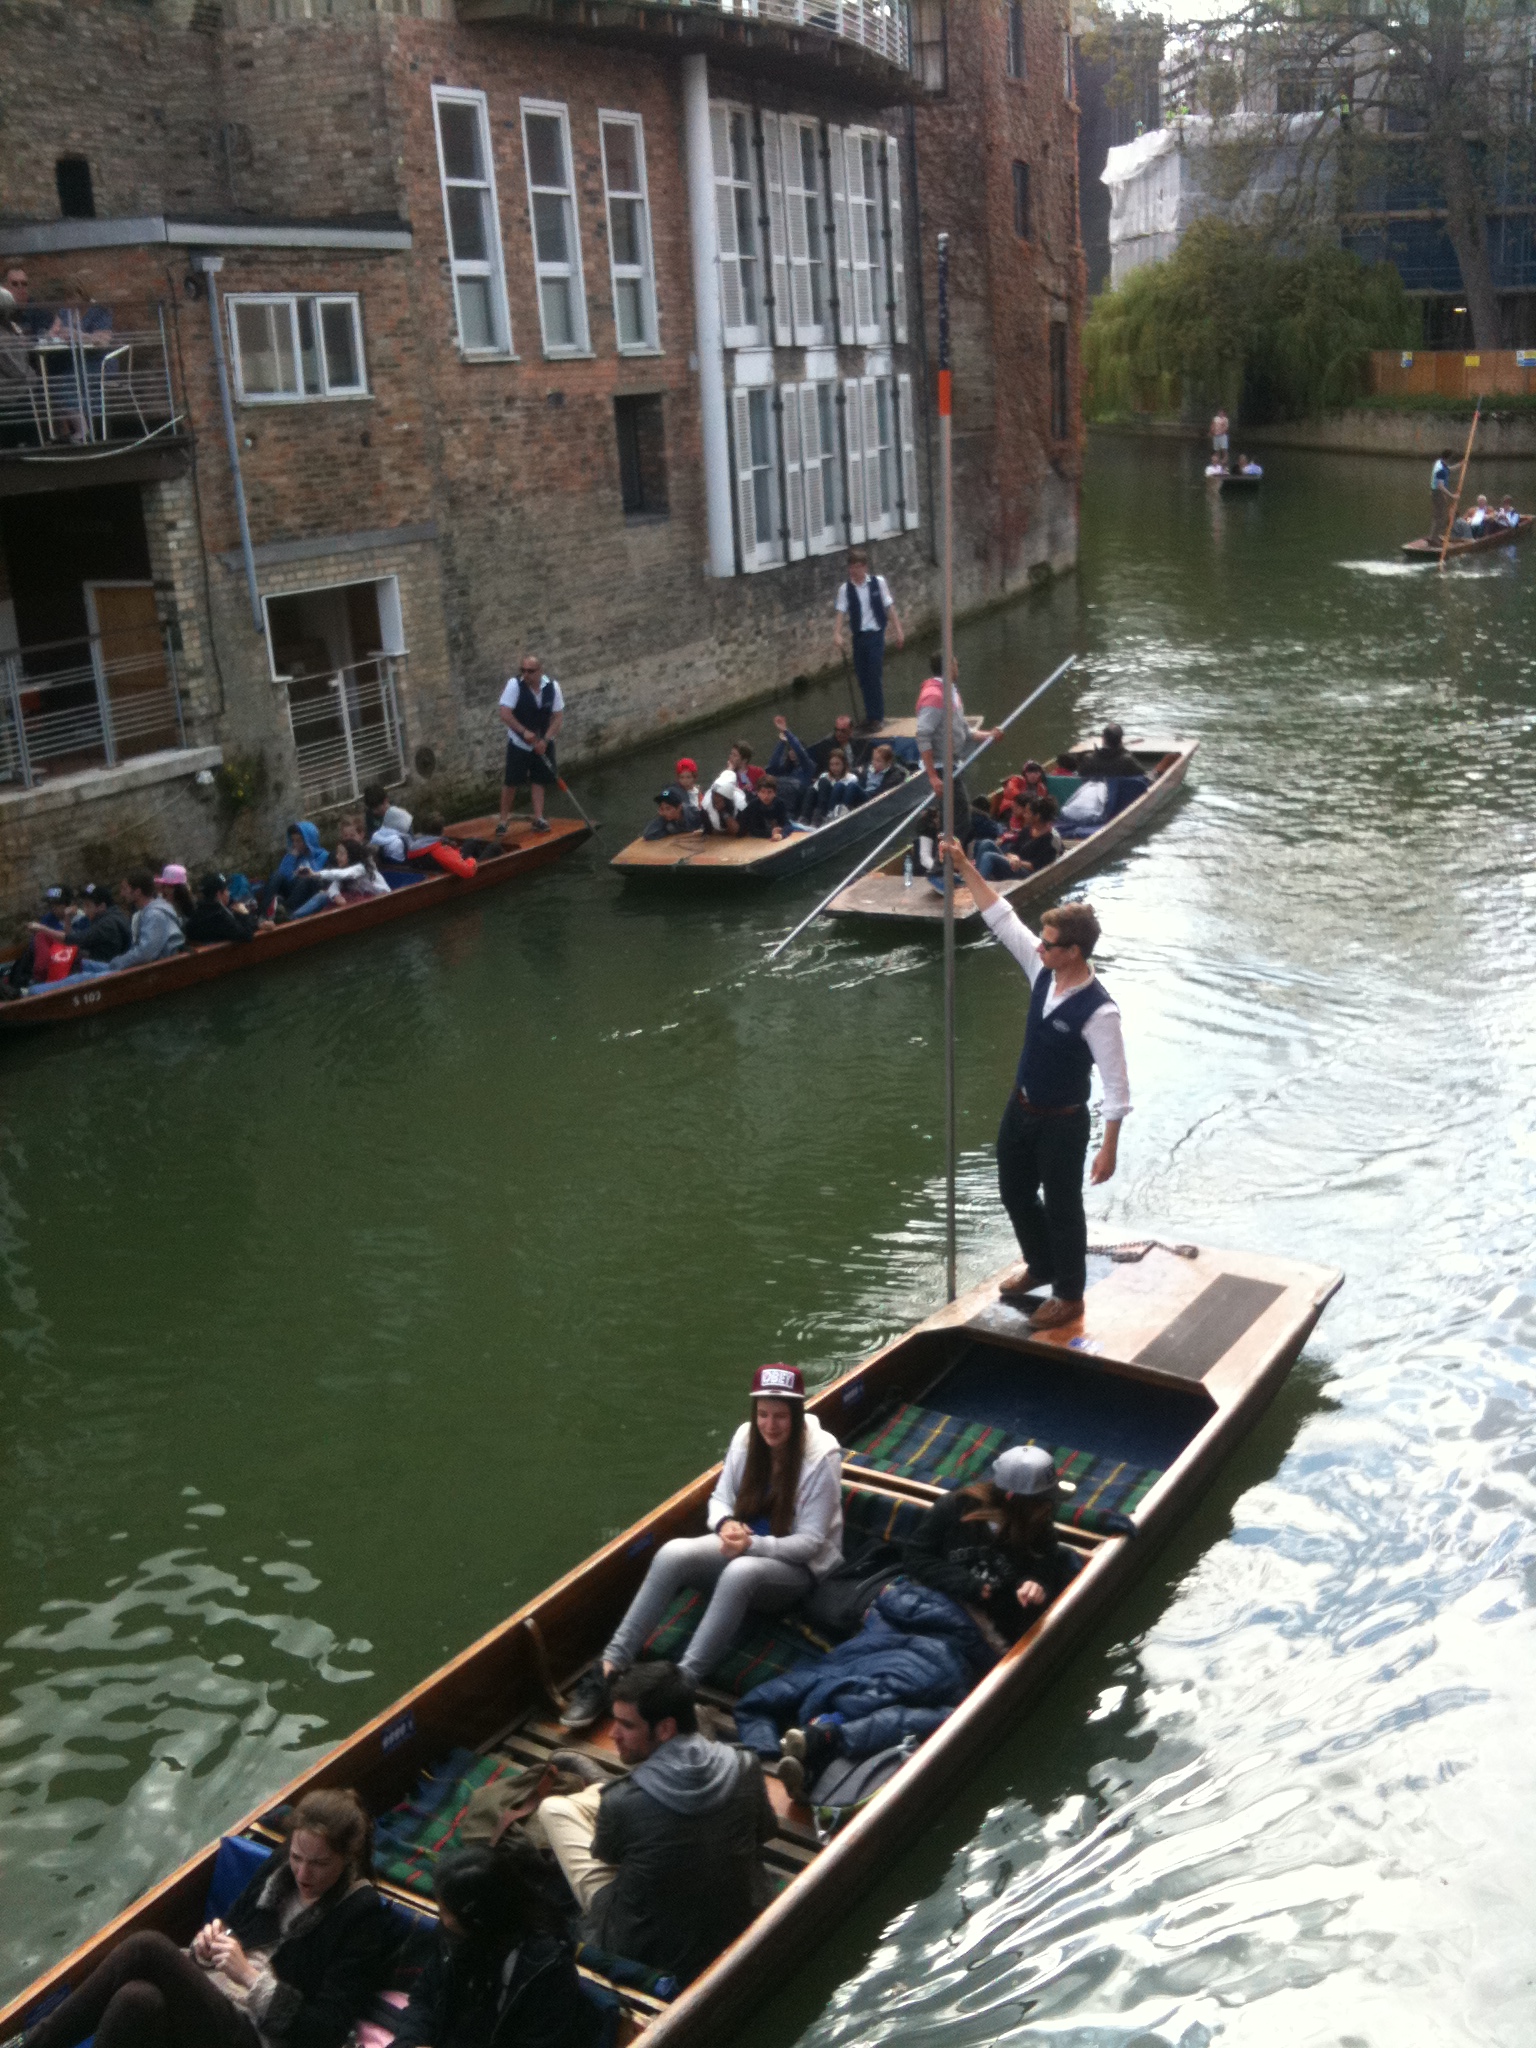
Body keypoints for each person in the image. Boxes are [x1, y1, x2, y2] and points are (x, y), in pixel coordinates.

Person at [561, 1365, 842, 1720]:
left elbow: (811, 1543)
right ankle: (609, 1668)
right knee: (672, 1552)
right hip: (742, 1546)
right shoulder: (746, 1437)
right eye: (764, 1415)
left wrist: (750, 1546)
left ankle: (682, 1685)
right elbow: (720, 1499)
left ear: (798, 1414)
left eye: (781, 1416)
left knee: (740, 1573)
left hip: (795, 1569)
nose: (770, 1425)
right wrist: (725, 1524)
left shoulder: (822, 1457)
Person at [19, 1788, 396, 2048]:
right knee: (138, 2000)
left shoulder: (360, 1916)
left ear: (347, 1858)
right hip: (215, 2003)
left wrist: (251, 1979)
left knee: (145, 1946)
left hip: (259, 2035)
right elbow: (233, 1925)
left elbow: (325, 2032)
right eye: (297, 1857)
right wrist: (205, 1948)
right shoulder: (282, 1864)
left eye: (319, 1864)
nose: (302, 1873)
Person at [938, 843, 1130, 1330]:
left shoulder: (1101, 1013)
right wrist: (963, 866)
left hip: (1064, 1124)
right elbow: (1002, 919)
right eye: (1040, 942)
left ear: (1074, 952)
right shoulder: (1042, 972)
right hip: (1021, 1108)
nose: (1038, 947)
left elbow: (1115, 1087)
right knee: (1014, 1192)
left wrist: (1108, 1149)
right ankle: (1040, 1263)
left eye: (1049, 944)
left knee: (1065, 1207)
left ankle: (1069, 1293)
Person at [540, 1662, 774, 1987]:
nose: (612, 1734)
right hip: (741, 1913)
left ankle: (596, 1791)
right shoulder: (746, 1764)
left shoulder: (621, 1802)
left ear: (664, 1729)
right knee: (628, 1810)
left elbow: (609, 1859)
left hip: (651, 1948)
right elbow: (762, 1832)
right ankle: (600, 1789)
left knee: (554, 1809)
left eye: (626, 1725)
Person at [736, 1575, 997, 1800]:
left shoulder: (891, 1608)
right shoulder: (968, 1639)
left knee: (899, 1708)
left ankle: (821, 1743)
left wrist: (763, 1750)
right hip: (932, 1670)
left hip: (898, 1669)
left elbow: (754, 1703)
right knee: (927, 1717)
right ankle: (824, 1741)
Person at [392, 1844, 602, 2048]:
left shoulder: (547, 1970)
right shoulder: (455, 1938)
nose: (442, 1917)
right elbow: (424, 1998)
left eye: (446, 1910)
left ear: (477, 1920)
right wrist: (412, 2042)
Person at [902, 1445, 1082, 1643]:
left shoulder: (1042, 1528)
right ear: (1015, 1500)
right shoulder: (954, 1507)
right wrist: (966, 1584)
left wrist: (1034, 1583)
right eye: (1043, 1501)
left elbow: (1045, 1566)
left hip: (985, 1627)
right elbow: (915, 1556)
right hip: (936, 1601)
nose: (1050, 1507)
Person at [832, 548, 904, 727]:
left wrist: (898, 631)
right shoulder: (845, 589)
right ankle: (869, 715)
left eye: (856, 567)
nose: (852, 571)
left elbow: (889, 607)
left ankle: (877, 716)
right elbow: (841, 612)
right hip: (859, 636)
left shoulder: (878, 583)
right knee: (863, 677)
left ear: (864, 567)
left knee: (874, 674)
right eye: (850, 567)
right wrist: (837, 633)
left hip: (876, 634)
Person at [72, 870, 187, 977]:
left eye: (124, 889)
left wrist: (118, 962)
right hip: (134, 968)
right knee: (80, 964)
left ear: (137, 892)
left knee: (74, 980)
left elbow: (145, 954)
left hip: (148, 973)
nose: (121, 894)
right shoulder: (144, 912)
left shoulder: (155, 915)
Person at [497, 654, 564, 836]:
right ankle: (503, 820)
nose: (526, 674)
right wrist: (523, 732)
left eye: (531, 671)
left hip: (543, 741)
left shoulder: (552, 687)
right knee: (511, 781)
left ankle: (539, 818)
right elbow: (505, 713)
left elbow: (558, 718)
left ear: (540, 671)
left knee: (539, 779)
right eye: (523, 670)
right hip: (519, 743)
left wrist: (545, 740)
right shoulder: (514, 686)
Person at [973, 795, 1061, 882]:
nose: (1024, 815)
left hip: (1027, 873)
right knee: (986, 843)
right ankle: (973, 878)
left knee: (989, 856)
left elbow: (1037, 865)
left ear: (1037, 816)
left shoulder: (1050, 840)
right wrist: (1012, 856)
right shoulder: (1028, 829)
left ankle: (977, 885)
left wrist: (1019, 862)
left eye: (1027, 813)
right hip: (1014, 863)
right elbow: (1013, 849)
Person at [258, 824, 332, 918]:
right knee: (276, 875)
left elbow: (323, 879)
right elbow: (284, 875)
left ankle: (285, 910)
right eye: (293, 841)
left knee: (304, 879)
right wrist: (292, 858)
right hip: (292, 890)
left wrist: (305, 873)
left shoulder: (324, 856)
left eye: (299, 840)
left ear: (308, 840)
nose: (295, 844)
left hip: (309, 891)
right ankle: (263, 913)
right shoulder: (292, 856)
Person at [186, 872, 262, 945]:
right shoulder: (219, 916)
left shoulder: (197, 913)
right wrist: (244, 914)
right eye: (227, 890)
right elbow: (247, 936)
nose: (229, 893)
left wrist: (257, 925)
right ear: (219, 894)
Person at [765, 715, 817, 813]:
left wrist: (786, 731)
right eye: (790, 750)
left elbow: (800, 752)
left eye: (794, 750)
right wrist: (782, 742)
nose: (792, 752)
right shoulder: (787, 769)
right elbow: (772, 767)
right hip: (785, 804)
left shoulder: (808, 767)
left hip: (800, 803)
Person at [73, 881, 134, 962]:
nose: (85, 910)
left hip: (113, 968)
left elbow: (77, 941)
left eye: (88, 905)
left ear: (101, 906)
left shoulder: (108, 923)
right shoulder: (88, 920)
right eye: (83, 905)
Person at [800, 748, 862, 827]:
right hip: (822, 804)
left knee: (831, 785)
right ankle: (804, 818)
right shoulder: (825, 776)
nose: (834, 768)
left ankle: (822, 818)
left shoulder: (851, 778)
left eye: (837, 764)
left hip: (838, 806)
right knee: (813, 788)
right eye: (831, 765)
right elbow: (814, 791)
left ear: (844, 764)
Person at [1073, 723, 1142, 781]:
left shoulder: (1088, 760)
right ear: (1120, 740)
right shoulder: (1128, 761)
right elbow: (1143, 777)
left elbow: (1077, 777)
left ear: (1103, 739)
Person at [738, 773, 791, 840]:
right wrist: (772, 833)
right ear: (757, 793)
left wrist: (782, 834)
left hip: (773, 834)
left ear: (775, 793)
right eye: (763, 792)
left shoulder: (779, 803)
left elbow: (787, 824)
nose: (766, 796)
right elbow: (753, 830)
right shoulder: (753, 806)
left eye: (769, 792)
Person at [698, 770, 746, 835]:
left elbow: (739, 832)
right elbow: (708, 830)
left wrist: (723, 812)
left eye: (719, 796)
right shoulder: (706, 804)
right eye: (715, 794)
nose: (716, 798)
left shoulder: (740, 803)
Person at [155, 863, 196, 928]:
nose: (166, 890)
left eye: (170, 887)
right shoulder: (158, 908)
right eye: (164, 886)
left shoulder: (192, 910)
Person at [1429, 449, 1457, 544]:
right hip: (1437, 493)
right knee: (1439, 517)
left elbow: (1449, 469)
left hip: (1436, 492)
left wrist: (1460, 465)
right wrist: (1452, 496)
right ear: (1449, 458)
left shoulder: (1439, 463)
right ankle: (1434, 539)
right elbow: (1440, 486)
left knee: (1438, 516)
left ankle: (1434, 537)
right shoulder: (1440, 469)